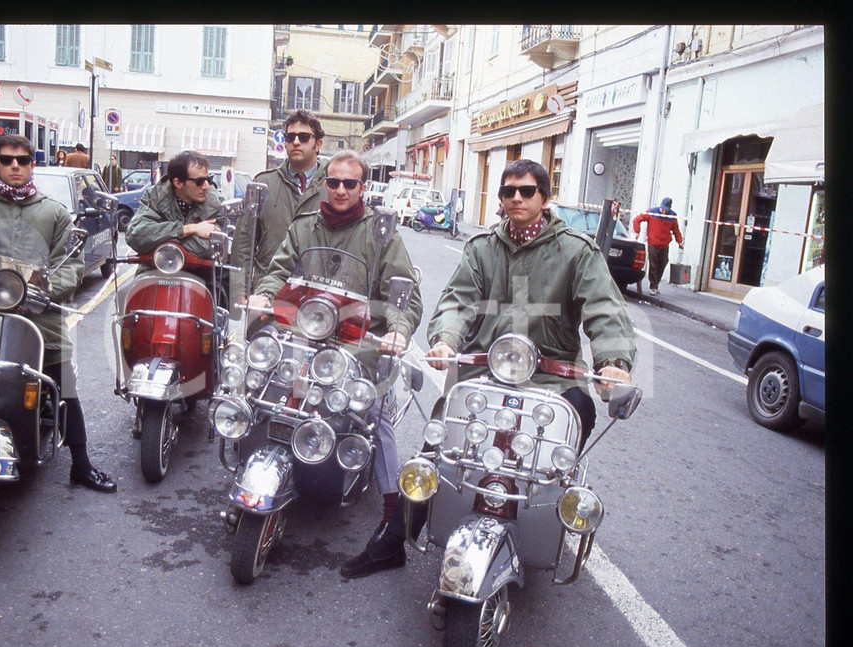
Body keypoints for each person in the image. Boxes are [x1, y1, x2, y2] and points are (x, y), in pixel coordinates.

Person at [341, 159, 636, 578]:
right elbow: (458, 300)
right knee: (438, 446)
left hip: (552, 379)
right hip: (484, 373)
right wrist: (446, 340)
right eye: (508, 191)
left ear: (544, 198)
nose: (517, 198)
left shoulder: (576, 251)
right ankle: (392, 540)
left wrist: (613, 364)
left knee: (579, 415)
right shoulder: (481, 249)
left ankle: (549, 504)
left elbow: (605, 309)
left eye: (527, 191)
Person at [245, 150, 423, 579]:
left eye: (350, 183)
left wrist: (397, 331)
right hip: (304, 330)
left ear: (363, 187)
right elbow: (278, 269)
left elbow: (404, 293)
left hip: (358, 341)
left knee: (374, 412)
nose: (341, 190)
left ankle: (391, 512)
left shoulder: (382, 234)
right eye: (334, 182)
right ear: (324, 183)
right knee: (257, 380)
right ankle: (248, 458)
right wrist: (264, 294)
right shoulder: (304, 226)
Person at [0, 134, 117, 493]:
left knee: (63, 381)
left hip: (38, 311)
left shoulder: (54, 213)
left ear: (32, 164)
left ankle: (81, 463)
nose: (15, 166)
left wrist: (42, 291)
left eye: (22, 160)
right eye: (6, 159)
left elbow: (70, 265)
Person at [231, 109, 330, 302]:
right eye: (290, 137)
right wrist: (240, 291)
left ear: (318, 144)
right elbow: (244, 243)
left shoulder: (334, 187)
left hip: (315, 297)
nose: (296, 142)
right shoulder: (263, 184)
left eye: (304, 137)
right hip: (267, 293)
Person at [124, 150, 222, 267]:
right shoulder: (156, 196)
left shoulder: (213, 201)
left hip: (201, 270)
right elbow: (136, 236)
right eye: (199, 181)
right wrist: (188, 229)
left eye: (208, 179)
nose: (206, 186)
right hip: (156, 269)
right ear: (178, 183)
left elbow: (210, 247)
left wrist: (159, 240)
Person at [632, 197, 683, 295]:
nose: (664, 211)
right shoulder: (652, 212)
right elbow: (637, 219)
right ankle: (653, 286)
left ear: (669, 208)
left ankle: (656, 283)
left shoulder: (672, 216)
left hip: (665, 244)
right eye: (662, 209)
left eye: (666, 210)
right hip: (653, 243)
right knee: (653, 265)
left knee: (663, 262)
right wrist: (637, 231)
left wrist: (679, 241)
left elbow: (676, 230)